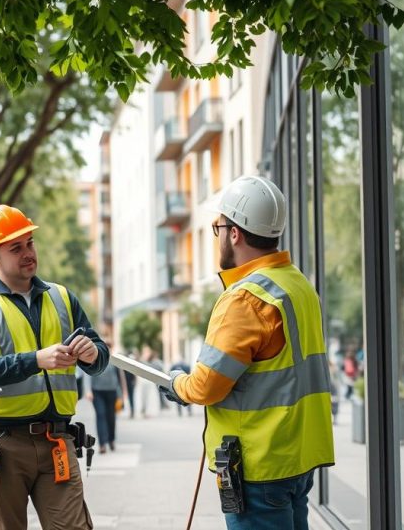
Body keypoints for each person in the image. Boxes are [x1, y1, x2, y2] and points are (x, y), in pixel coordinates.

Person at [159, 176, 335, 530]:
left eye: (218, 228)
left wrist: (177, 385)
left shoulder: (245, 298)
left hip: (259, 466)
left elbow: (207, 386)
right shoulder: (297, 284)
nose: (218, 236)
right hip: (297, 458)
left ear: (235, 233)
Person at [0, 204, 109, 530]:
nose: (28, 253)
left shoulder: (63, 297)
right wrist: (37, 360)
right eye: (16, 248)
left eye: (30, 243)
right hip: (2, 445)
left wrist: (92, 354)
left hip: (57, 440)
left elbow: (101, 353)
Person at [87, 343, 125, 453]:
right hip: (97, 392)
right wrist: (88, 390)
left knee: (111, 417)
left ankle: (111, 440)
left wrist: (122, 395)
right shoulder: (94, 359)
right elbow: (87, 374)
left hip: (112, 391)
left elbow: (120, 379)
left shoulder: (114, 361)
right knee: (100, 415)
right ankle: (102, 444)